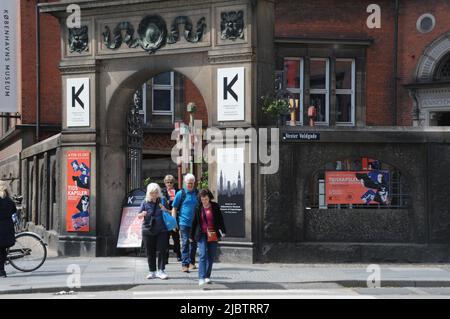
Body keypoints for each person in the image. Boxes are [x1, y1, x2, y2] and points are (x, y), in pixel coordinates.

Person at [190, 189, 226, 286]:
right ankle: (201, 277)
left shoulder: (215, 206)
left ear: (209, 198)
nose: (204, 201)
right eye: (202, 199)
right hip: (202, 234)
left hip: (213, 233)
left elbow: (220, 219)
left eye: (206, 199)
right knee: (202, 254)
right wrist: (191, 236)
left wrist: (223, 231)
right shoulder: (198, 207)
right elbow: (194, 222)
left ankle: (207, 276)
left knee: (211, 256)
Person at [138, 183, 169, 280]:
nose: (154, 195)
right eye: (152, 193)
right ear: (148, 193)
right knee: (150, 251)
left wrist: (165, 209)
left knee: (161, 250)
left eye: (156, 193)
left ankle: (161, 270)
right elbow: (138, 215)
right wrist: (142, 214)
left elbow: (170, 211)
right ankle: (152, 271)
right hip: (148, 229)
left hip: (162, 230)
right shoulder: (145, 202)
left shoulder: (162, 200)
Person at [172, 173, 199, 273]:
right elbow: (174, 208)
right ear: (185, 183)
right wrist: (173, 223)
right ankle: (184, 264)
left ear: (194, 183)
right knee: (185, 242)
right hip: (183, 222)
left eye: (192, 183)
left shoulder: (197, 194)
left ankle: (192, 262)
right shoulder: (181, 194)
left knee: (194, 243)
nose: (190, 185)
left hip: (195, 224)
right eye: (188, 183)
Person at [161, 175, 181, 263]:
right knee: (165, 238)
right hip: (165, 218)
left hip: (176, 217)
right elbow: (160, 205)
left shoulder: (178, 192)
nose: (169, 184)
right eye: (167, 182)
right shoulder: (162, 192)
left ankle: (178, 255)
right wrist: (167, 211)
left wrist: (171, 211)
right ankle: (166, 257)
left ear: (174, 183)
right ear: (165, 183)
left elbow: (180, 204)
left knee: (176, 237)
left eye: (171, 182)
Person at [0, 181, 16, 278]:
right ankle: (2, 271)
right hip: (7, 228)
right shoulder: (9, 201)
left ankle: (1, 271)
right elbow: (13, 211)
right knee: (2, 250)